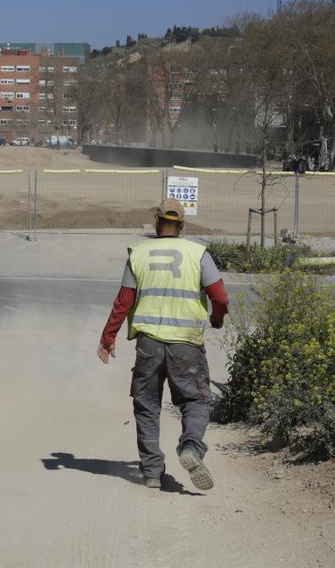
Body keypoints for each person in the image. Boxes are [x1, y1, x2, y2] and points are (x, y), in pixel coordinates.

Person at [97, 199, 229, 490]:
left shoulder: (139, 253)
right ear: (182, 226)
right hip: (186, 347)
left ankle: (152, 471)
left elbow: (123, 302)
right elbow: (220, 297)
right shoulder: (198, 253)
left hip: (149, 345)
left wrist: (108, 337)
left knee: (146, 405)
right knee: (195, 401)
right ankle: (191, 447)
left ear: (156, 222)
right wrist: (216, 319)